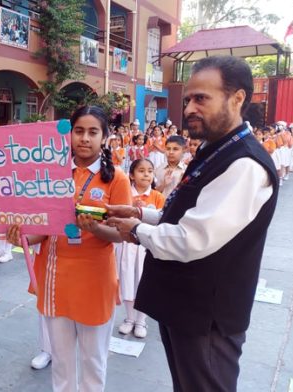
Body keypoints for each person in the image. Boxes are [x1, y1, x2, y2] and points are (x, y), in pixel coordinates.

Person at [106, 56, 279, 391]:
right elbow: (190, 215)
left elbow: (191, 238)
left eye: (202, 98)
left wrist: (136, 231)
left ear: (237, 98)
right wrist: (140, 213)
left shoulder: (245, 163)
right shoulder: (216, 150)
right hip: (185, 308)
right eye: (188, 100)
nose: (189, 109)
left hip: (208, 317)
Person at [7, 105, 132, 392]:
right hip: (55, 278)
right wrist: (22, 237)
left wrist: (95, 228)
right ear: (69, 134)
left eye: (92, 132)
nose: (84, 139)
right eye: (79, 131)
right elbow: (43, 231)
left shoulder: (117, 179)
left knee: (93, 362)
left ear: (105, 137)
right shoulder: (50, 173)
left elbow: (121, 234)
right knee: (62, 364)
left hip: (95, 280)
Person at [115, 158, 165, 339]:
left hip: (146, 246)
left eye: (150, 171)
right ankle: (129, 318)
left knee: (143, 280)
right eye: (141, 171)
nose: (146, 174)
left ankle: (141, 320)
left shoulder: (158, 197)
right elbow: (116, 214)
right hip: (127, 245)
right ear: (131, 175)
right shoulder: (125, 193)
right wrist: (131, 207)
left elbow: (162, 221)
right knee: (127, 278)